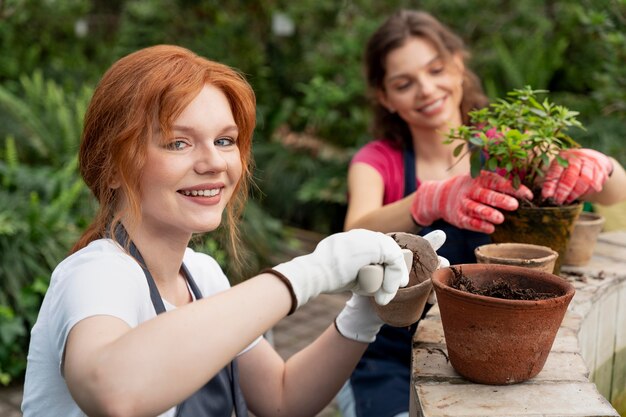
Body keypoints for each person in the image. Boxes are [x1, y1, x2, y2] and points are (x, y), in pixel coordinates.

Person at [20, 44, 451, 417]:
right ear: (113, 167)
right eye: (178, 142)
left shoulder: (202, 274)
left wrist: (363, 315)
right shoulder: (97, 274)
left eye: (225, 140)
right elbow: (114, 393)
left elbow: (281, 398)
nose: (214, 162)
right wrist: (311, 271)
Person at [338, 9, 626, 417]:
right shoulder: (377, 161)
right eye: (404, 83)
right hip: (389, 361)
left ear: (458, 64)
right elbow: (354, 233)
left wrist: (600, 165)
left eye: (436, 69)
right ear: (385, 97)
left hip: (496, 352)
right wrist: (427, 201)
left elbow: (616, 192)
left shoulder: (506, 145)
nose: (426, 89)